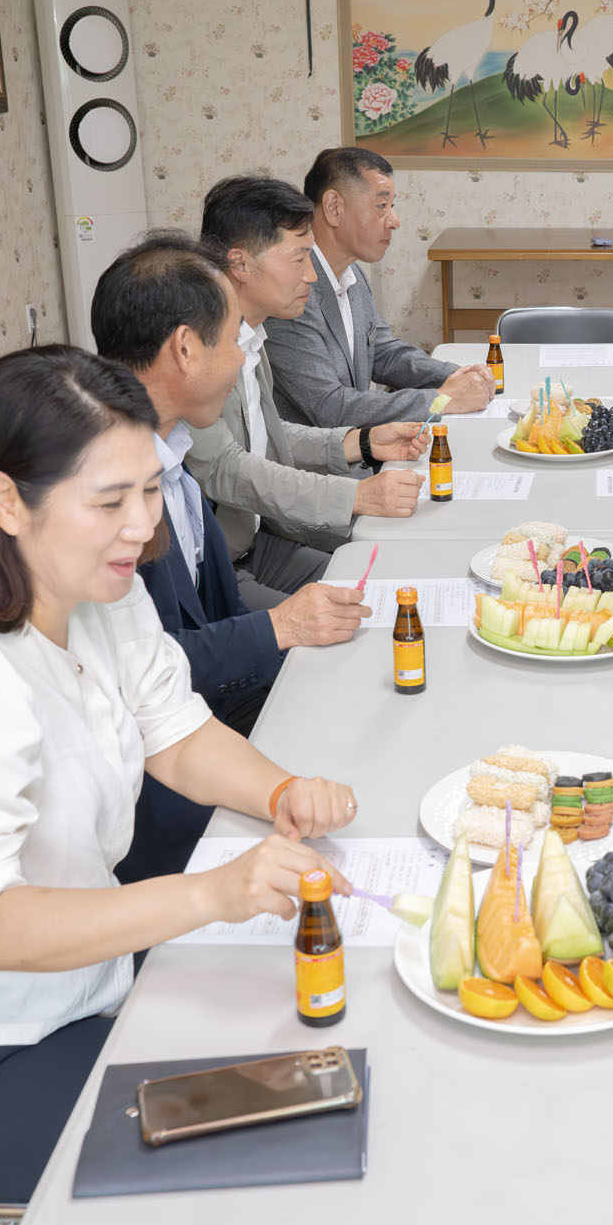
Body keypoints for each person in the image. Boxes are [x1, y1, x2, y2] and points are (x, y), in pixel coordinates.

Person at [0, 345, 358, 1204]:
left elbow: (177, 735)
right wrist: (212, 894)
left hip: (73, 994)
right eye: (109, 501)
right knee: (279, 1142)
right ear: (7, 501)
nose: (142, 526)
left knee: (317, 1066)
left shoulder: (98, 593)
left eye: (150, 490)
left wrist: (282, 792)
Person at [89, 232, 369, 882]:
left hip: (195, 725)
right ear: (186, 349)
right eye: (231, 339)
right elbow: (146, 679)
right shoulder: (108, 489)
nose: (242, 358)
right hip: (142, 804)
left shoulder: (172, 456)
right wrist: (281, 627)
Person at [188, 174, 427, 604]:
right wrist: (355, 495)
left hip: (260, 542)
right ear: (240, 264)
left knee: (393, 585)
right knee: (361, 619)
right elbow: (228, 467)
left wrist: (364, 442)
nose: (312, 275)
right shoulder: (203, 353)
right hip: (219, 566)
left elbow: (266, 433)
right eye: (299, 258)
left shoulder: (251, 335)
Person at [265, 147, 495, 429]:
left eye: (392, 206)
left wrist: (460, 375)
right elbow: (329, 407)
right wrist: (442, 400)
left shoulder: (353, 275)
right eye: (381, 206)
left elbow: (384, 353)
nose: (394, 221)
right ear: (334, 208)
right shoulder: (294, 291)